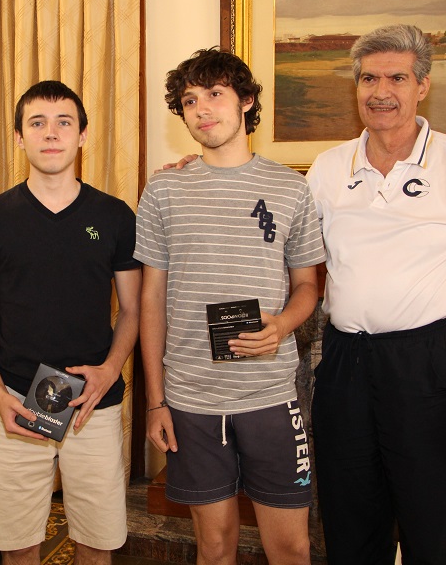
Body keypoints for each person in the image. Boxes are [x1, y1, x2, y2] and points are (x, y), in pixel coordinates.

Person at [306, 24, 446, 564]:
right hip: (344, 363)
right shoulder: (328, 168)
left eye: (396, 78)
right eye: (369, 79)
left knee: (432, 529)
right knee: (349, 527)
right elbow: (282, 239)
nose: (381, 91)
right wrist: (203, 170)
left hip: (427, 364)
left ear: (422, 86)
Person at [137, 47, 326, 565]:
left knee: (291, 548)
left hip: (270, 396)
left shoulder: (290, 188)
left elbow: (308, 285)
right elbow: (151, 299)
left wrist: (282, 325)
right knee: (214, 547)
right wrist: (155, 401)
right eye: (189, 100)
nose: (202, 109)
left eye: (215, 94)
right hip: (190, 401)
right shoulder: (163, 188)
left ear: (245, 101)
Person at [0, 80, 141, 565]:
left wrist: (110, 370)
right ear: (20, 137)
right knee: (17, 546)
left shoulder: (115, 216)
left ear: (83, 135)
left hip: (93, 402)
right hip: (16, 400)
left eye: (64, 123)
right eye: (37, 123)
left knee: (97, 545)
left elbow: (133, 309)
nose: (51, 133)